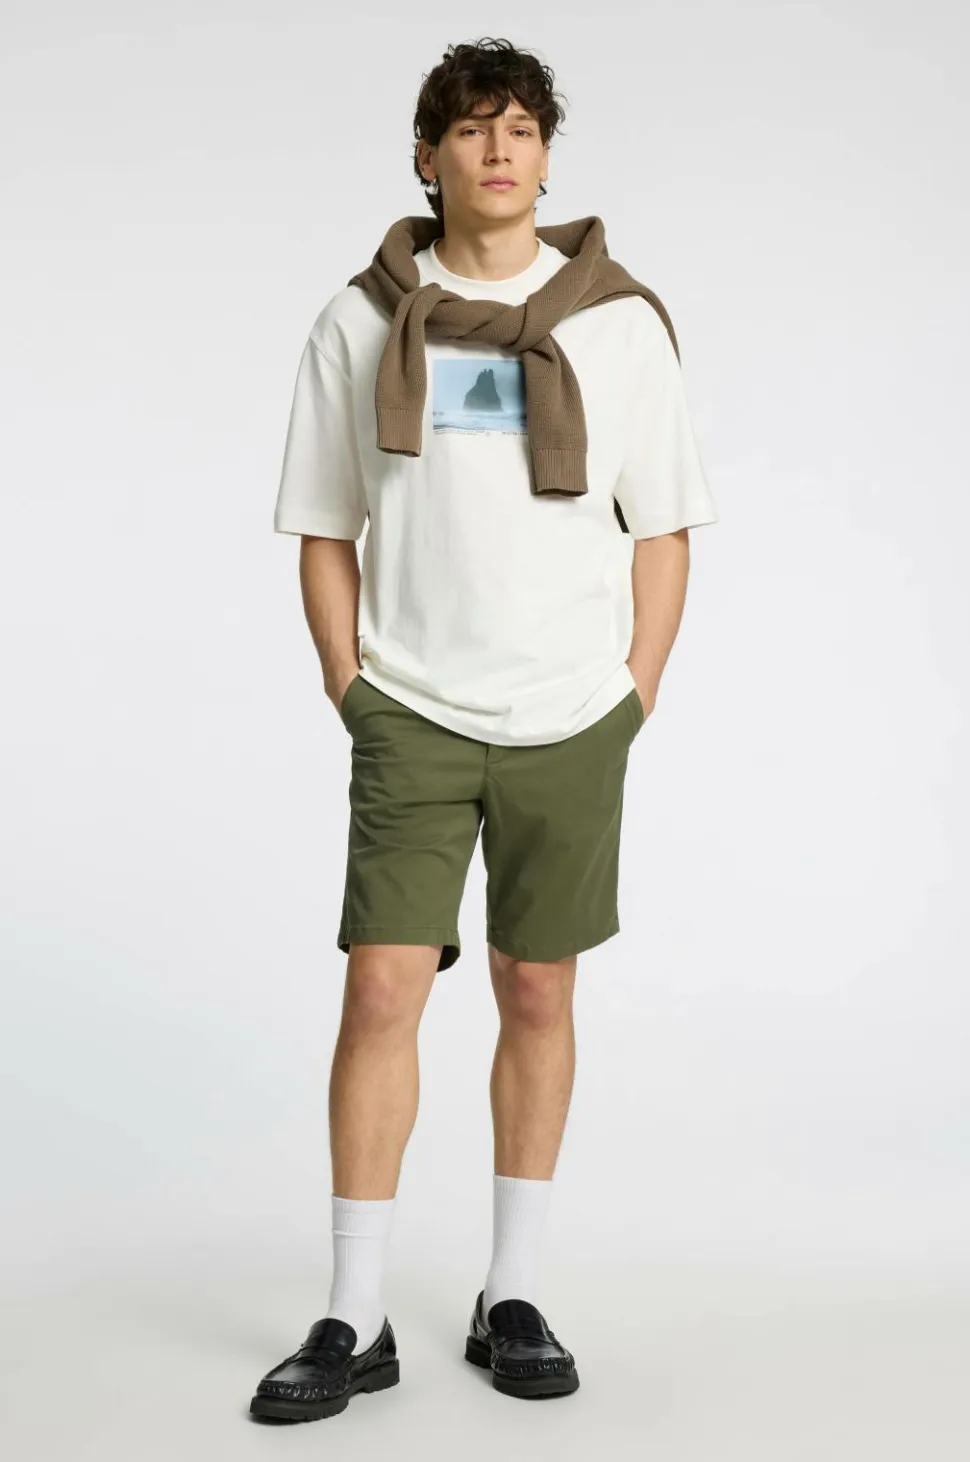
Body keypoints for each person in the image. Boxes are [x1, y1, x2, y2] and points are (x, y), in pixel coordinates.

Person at [250, 36, 718, 1423]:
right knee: (382, 988)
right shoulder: (359, 321)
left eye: (520, 128)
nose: (498, 150)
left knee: (537, 989)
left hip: (569, 712)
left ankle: (512, 1292)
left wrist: (633, 689)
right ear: (428, 156)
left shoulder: (618, 323)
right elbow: (323, 521)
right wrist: (350, 683)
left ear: (547, 158)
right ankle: (353, 1311)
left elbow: (664, 524)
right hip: (411, 705)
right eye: (470, 129)